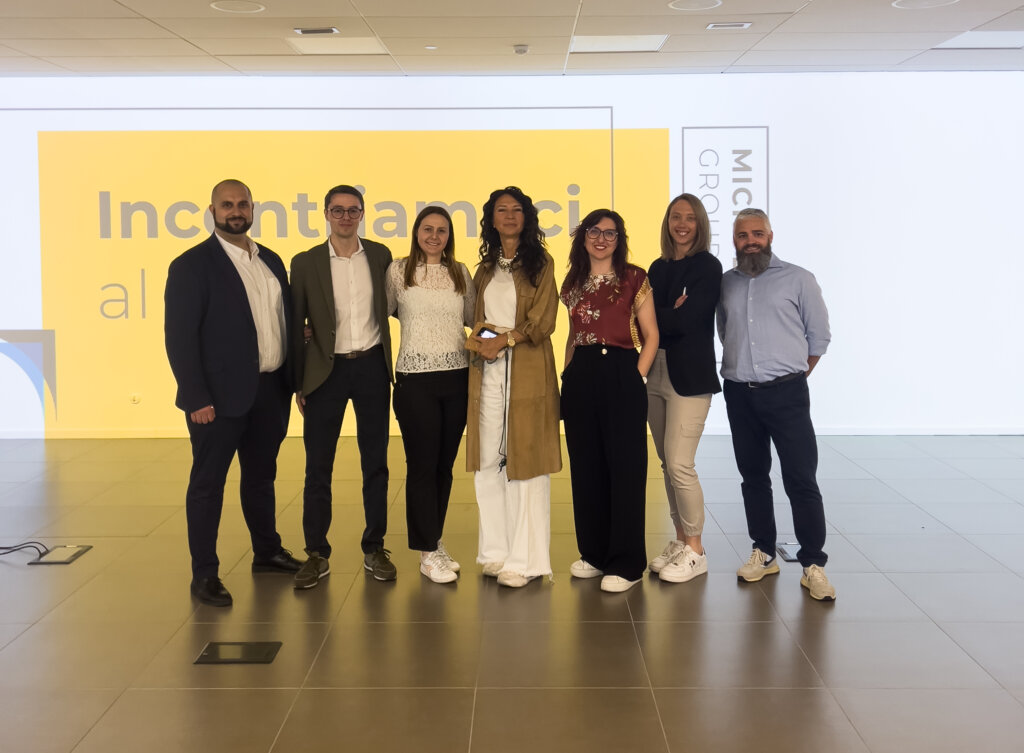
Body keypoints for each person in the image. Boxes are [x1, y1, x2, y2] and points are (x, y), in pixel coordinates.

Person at [164, 179, 302, 608]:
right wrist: (195, 397)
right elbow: (179, 338)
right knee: (208, 485)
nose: (235, 211)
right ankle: (205, 574)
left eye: (242, 203)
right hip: (218, 399)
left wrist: (295, 380)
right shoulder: (191, 266)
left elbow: (281, 322)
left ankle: (266, 551)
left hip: (270, 390)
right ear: (212, 211)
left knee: (261, 477)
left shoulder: (271, 260)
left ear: (253, 208)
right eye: (227, 205)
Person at [718, 207, 836, 601]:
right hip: (739, 392)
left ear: (770, 237)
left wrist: (792, 375)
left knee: (801, 478)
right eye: (742, 235)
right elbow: (725, 331)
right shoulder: (726, 283)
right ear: (734, 241)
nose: (750, 241)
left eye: (757, 234)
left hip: (787, 393)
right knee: (753, 476)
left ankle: (813, 564)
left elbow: (818, 337)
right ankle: (764, 552)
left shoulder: (799, 279)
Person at [289, 184, 395, 589]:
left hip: (371, 368)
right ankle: (316, 553)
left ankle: (375, 547)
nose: (346, 217)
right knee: (318, 466)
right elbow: (296, 324)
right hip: (324, 373)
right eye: (338, 210)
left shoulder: (381, 256)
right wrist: (299, 382)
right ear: (326, 214)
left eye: (353, 210)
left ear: (362, 214)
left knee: (376, 463)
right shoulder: (305, 262)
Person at [466, 186, 561, 588]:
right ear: (491, 219)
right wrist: (484, 340)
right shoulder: (486, 267)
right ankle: (495, 552)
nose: (508, 215)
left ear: (527, 217)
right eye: (501, 210)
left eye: (516, 209)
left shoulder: (541, 263)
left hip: (527, 370)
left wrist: (505, 340)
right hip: (487, 371)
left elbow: (543, 320)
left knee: (526, 463)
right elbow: (477, 318)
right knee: (488, 460)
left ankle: (525, 561)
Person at [561, 209, 659, 593]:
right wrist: (567, 378)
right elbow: (573, 335)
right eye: (594, 231)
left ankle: (627, 562)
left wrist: (637, 376)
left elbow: (651, 335)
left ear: (620, 240)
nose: (601, 239)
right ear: (583, 236)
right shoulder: (573, 281)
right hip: (581, 375)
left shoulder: (634, 278)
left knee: (625, 469)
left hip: (621, 372)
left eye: (610, 233)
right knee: (586, 468)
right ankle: (595, 553)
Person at [386, 206, 475, 584]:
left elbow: (475, 321)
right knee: (422, 465)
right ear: (416, 233)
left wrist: (496, 342)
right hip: (415, 379)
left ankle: (434, 541)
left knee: (443, 465)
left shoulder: (460, 272)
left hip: (457, 378)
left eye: (441, 230)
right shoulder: (397, 271)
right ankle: (425, 553)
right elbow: (380, 315)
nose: (434, 236)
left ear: (449, 236)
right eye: (427, 229)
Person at [646, 194, 722, 584]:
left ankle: (696, 549)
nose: (682, 224)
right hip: (654, 372)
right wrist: (669, 312)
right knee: (666, 463)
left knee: (680, 463)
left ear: (700, 224)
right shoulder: (657, 268)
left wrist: (663, 316)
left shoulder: (708, 267)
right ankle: (679, 540)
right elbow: (641, 320)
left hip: (689, 378)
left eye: (690, 218)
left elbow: (687, 322)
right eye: (676, 217)